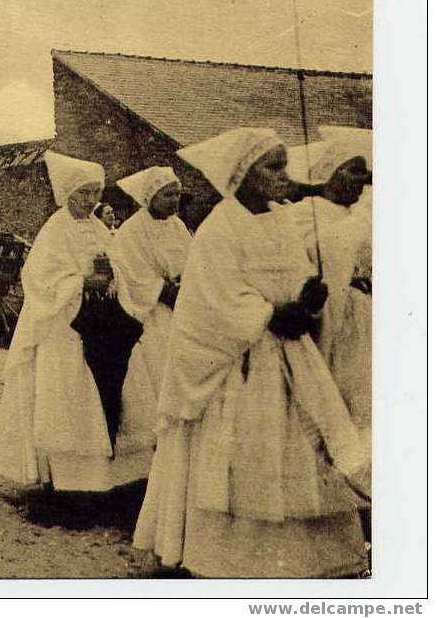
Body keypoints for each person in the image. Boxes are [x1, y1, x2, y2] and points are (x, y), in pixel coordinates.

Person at [132, 128, 369, 578]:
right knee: (245, 455)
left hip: (293, 358)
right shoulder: (219, 229)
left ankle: (308, 559)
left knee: (305, 445)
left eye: (284, 165)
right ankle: (233, 559)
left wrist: (309, 299)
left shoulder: (281, 219)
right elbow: (213, 301)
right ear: (242, 174)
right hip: (242, 363)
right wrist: (268, 315)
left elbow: (297, 275)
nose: (284, 176)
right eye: (273, 167)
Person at [0, 151, 142, 492]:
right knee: (67, 396)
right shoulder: (54, 230)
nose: (90, 201)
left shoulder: (100, 229)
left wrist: (112, 276)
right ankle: (65, 478)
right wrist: (82, 281)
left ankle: (102, 474)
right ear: (68, 195)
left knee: (107, 390)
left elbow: (120, 267)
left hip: (100, 323)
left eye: (95, 194)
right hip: (64, 325)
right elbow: (39, 277)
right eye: (83, 194)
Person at [285, 128, 373, 439]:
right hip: (327, 312)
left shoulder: (361, 216)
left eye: (365, 173)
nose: (361, 180)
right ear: (329, 175)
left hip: (361, 315)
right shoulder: (302, 215)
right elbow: (322, 254)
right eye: (353, 171)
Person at [112, 166, 193, 460]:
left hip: (181, 307)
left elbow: (193, 261)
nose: (174, 201)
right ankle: (154, 443)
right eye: (167, 195)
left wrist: (187, 284)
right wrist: (164, 291)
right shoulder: (132, 231)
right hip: (152, 311)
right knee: (157, 368)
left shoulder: (178, 227)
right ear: (150, 197)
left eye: (177, 195)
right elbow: (130, 272)